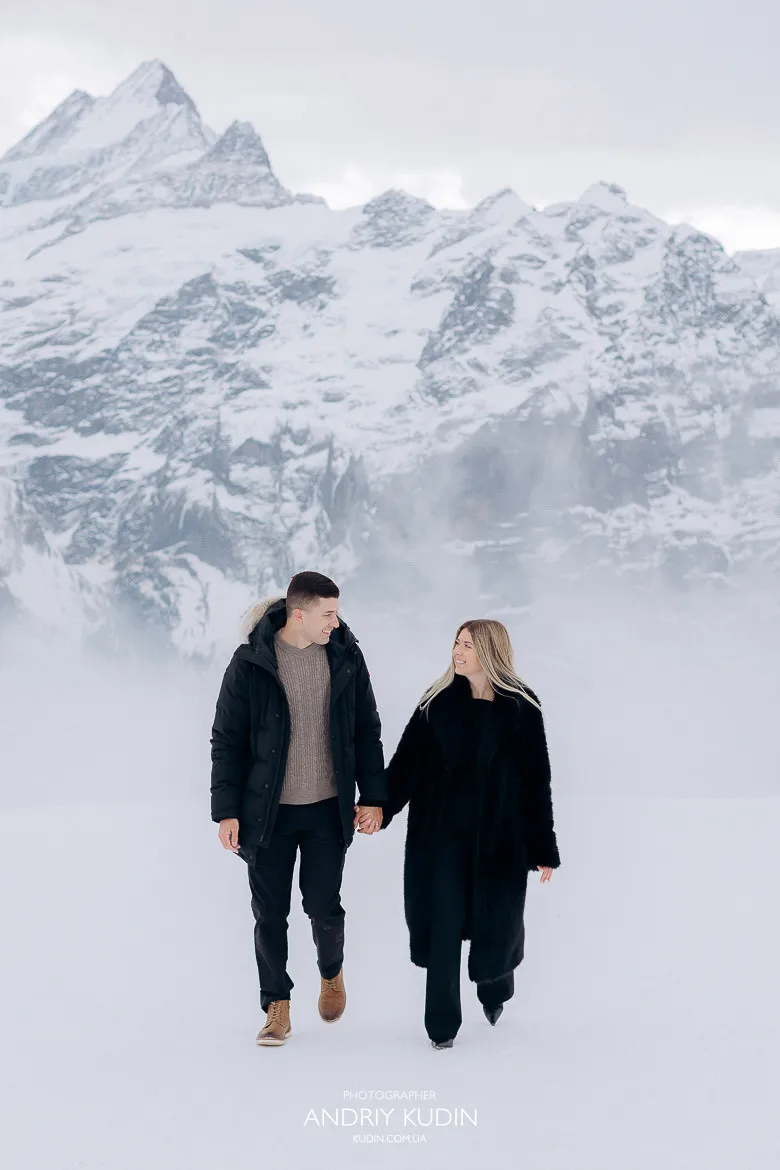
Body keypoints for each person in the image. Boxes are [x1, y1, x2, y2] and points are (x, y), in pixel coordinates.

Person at [210, 571, 385, 1047]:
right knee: (270, 913)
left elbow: (367, 730)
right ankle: (276, 1007)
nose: (337, 621)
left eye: (338, 612)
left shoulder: (346, 656)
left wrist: (373, 796)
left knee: (323, 906)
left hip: (327, 809)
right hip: (267, 814)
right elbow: (226, 741)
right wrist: (226, 811)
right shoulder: (251, 663)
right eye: (328, 613)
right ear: (299, 614)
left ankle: (331, 973)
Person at [378, 619, 560, 1048]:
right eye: (456, 643)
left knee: (494, 926)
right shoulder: (435, 703)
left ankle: (495, 991)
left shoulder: (522, 707)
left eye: (468, 646)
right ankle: (440, 1028)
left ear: (491, 653)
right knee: (443, 927)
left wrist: (542, 848)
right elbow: (405, 765)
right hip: (440, 840)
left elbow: (537, 781)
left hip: (499, 842)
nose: (458, 653)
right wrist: (379, 808)